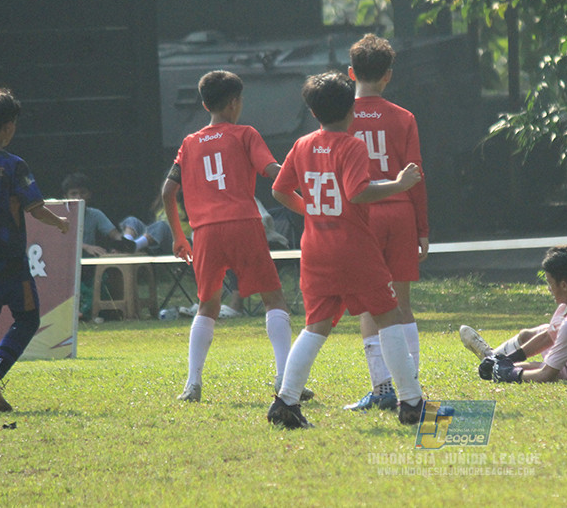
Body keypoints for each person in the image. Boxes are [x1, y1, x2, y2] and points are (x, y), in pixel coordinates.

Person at [267, 71, 426, 429]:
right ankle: (412, 402)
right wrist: (398, 184)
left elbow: (279, 190)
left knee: (316, 326)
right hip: (354, 249)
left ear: (313, 111)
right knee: (389, 317)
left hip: (316, 248)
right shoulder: (353, 146)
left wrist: (311, 208)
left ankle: (286, 401)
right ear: (351, 109)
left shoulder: (303, 144)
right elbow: (357, 192)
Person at [162, 70, 295, 403]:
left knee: (207, 306)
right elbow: (271, 172)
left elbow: (168, 191)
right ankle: (285, 380)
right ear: (235, 103)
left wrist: (179, 236)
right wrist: (301, 178)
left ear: (205, 103)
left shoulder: (189, 143)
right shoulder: (245, 134)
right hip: (243, 224)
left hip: (205, 231)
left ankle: (192, 384)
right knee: (273, 300)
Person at [0, 87, 70, 411]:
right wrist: (60, 222)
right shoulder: (13, 165)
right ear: (8, 125)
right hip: (6, 254)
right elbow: (35, 207)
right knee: (28, 318)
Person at [343, 34, 429, 411]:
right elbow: (416, 175)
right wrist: (423, 228)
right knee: (402, 303)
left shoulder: (340, 116)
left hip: (363, 214)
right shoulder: (404, 117)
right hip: (400, 212)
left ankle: (381, 390)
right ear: (388, 76)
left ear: (350, 73)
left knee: (368, 304)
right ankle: (411, 385)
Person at [459, 245, 567, 383]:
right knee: (526, 335)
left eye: (550, 283)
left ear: (564, 285)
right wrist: (508, 359)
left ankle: (492, 360)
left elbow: (546, 374)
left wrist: (509, 373)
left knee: (525, 368)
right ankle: (492, 356)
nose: (549, 288)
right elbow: (548, 336)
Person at [61, 172, 136, 257]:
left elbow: (115, 235)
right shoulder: (57, 215)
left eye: (83, 192)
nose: (79, 197)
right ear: (65, 197)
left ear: (89, 194)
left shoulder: (95, 214)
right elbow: (57, 240)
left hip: (88, 264)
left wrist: (121, 246)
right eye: (73, 194)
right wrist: (86, 247)